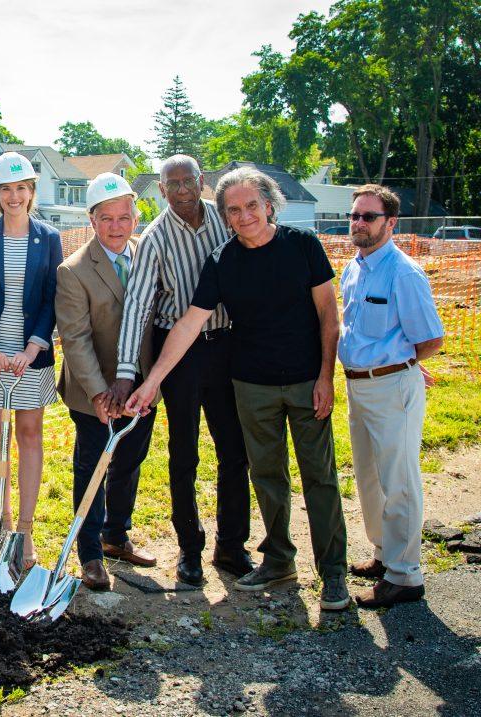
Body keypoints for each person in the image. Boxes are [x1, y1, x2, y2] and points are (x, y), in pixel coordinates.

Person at [127, 166, 351, 611]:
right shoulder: (223, 260)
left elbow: (329, 312)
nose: (245, 215)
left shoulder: (302, 245)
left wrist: (327, 375)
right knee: (267, 476)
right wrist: (151, 380)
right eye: (235, 210)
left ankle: (333, 573)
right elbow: (190, 322)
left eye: (252, 205)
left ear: (269, 204)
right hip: (252, 385)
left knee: (318, 478)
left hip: (308, 382)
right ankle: (279, 559)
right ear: (225, 216)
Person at [107, 155, 251, 586]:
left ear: (202, 182)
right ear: (162, 191)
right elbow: (137, 306)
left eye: (190, 181)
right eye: (173, 184)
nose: (183, 190)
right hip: (180, 354)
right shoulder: (155, 238)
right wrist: (126, 370)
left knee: (233, 449)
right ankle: (190, 548)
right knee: (183, 451)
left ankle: (231, 545)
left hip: (227, 345)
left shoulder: (227, 222)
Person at [338, 185, 443, 608]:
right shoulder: (354, 268)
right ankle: (384, 554)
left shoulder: (404, 272)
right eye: (355, 216)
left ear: (391, 223)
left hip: (390, 386)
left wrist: (404, 366)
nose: (359, 224)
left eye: (369, 217)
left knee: (399, 479)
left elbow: (430, 338)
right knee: (369, 476)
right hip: (358, 385)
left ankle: (405, 575)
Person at [55, 173, 158, 591]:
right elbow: (75, 339)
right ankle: (91, 555)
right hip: (91, 389)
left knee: (130, 460)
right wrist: (100, 393)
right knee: (93, 467)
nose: (117, 226)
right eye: (107, 219)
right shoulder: (74, 270)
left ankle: (116, 535)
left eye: (125, 217)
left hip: (141, 387)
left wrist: (148, 383)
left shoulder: (148, 256)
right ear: (92, 220)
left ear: (136, 217)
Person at [0, 152, 62, 568]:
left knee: (29, 433)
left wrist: (31, 349)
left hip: (29, 353)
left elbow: (52, 298)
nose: (14, 196)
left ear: (32, 192)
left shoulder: (49, 238)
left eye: (21, 188)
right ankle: (1, 518)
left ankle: (25, 527)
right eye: (6, 189)